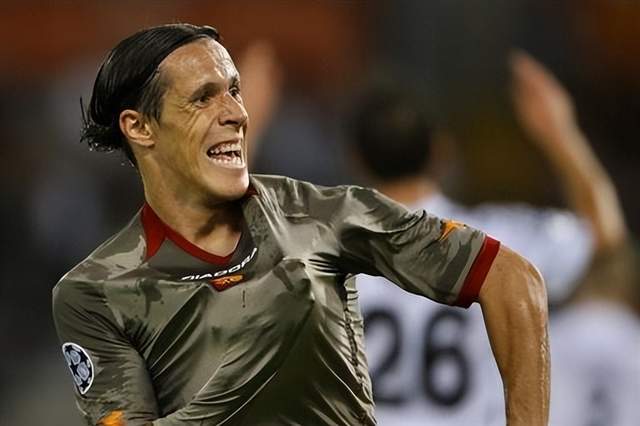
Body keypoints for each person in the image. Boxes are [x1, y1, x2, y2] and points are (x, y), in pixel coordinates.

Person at [52, 23, 549, 426]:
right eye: (204, 97)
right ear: (139, 127)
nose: (237, 113)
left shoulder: (322, 216)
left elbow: (511, 277)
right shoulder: (95, 292)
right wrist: (254, 364)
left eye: (235, 91)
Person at [350, 52, 626, 425]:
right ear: (440, 153)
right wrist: (561, 135)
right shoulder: (499, 242)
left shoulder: (324, 247)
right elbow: (604, 232)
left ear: (356, 158)